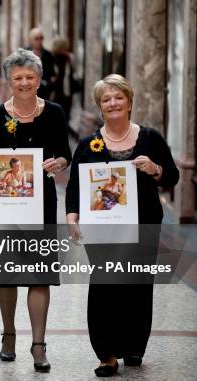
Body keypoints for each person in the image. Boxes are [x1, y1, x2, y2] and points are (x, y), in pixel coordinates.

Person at [65, 74, 179, 377]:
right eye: (106, 99)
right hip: (101, 227)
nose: (112, 103)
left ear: (129, 101)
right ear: (100, 107)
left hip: (143, 224)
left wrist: (154, 169)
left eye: (118, 97)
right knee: (104, 285)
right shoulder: (90, 144)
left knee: (138, 285)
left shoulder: (150, 138)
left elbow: (172, 177)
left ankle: (133, 346)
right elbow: (76, 184)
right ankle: (106, 354)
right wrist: (72, 216)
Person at [0, 48, 72, 373]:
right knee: (6, 275)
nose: (24, 82)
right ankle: (8, 334)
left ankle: (39, 344)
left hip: (41, 205)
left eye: (30, 77)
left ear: (39, 79)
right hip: (5, 209)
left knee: (40, 274)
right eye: (18, 77)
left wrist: (58, 162)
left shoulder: (55, 112)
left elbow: (64, 155)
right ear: (8, 81)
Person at [50, 37, 76, 126]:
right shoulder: (52, 58)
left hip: (65, 90)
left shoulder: (69, 58)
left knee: (64, 113)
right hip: (58, 91)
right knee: (59, 113)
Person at [25, 28, 55, 100]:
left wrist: (49, 85)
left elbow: (52, 74)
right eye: (36, 39)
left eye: (41, 38)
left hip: (44, 91)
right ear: (31, 40)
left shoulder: (48, 55)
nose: (39, 41)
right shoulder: (24, 54)